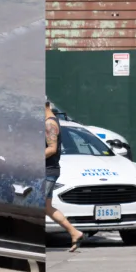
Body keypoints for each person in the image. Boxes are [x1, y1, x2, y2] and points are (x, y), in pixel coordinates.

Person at [45, 100, 84, 251]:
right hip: (49, 170)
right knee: (46, 207)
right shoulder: (50, 121)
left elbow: (52, 148)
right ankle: (75, 233)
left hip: (47, 170)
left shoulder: (49, 124)